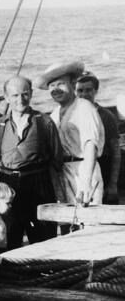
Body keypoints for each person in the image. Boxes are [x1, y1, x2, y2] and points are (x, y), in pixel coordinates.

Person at [0, 76, 62, 250]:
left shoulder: (44, 122)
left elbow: (57, 159)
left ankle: (46, 273)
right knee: (11, 236)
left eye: (24, 94)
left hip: (39, 183)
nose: (20, 99)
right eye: (14, 95)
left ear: (31, 94)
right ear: (6, 97)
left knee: (43, 237)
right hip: (9, 187)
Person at [35, 61, 104, 205]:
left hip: (84, 169)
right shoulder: (54, 114)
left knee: (88, 220)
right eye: (52, 86)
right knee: (68, 220)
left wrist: (86, 182)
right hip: (63, 171)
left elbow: (90, 145)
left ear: (72, 84)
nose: (56, 89)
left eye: (60, 84)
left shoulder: (84, 108)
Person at [75, 72, 121, 204]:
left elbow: (116, 152)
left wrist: (112, 184)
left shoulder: (106, 116)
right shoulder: (73, 114)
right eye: (80, 90)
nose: (84, 94)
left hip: (103, 164)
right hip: (80, 168)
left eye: (88, 90)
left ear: (96, 91)